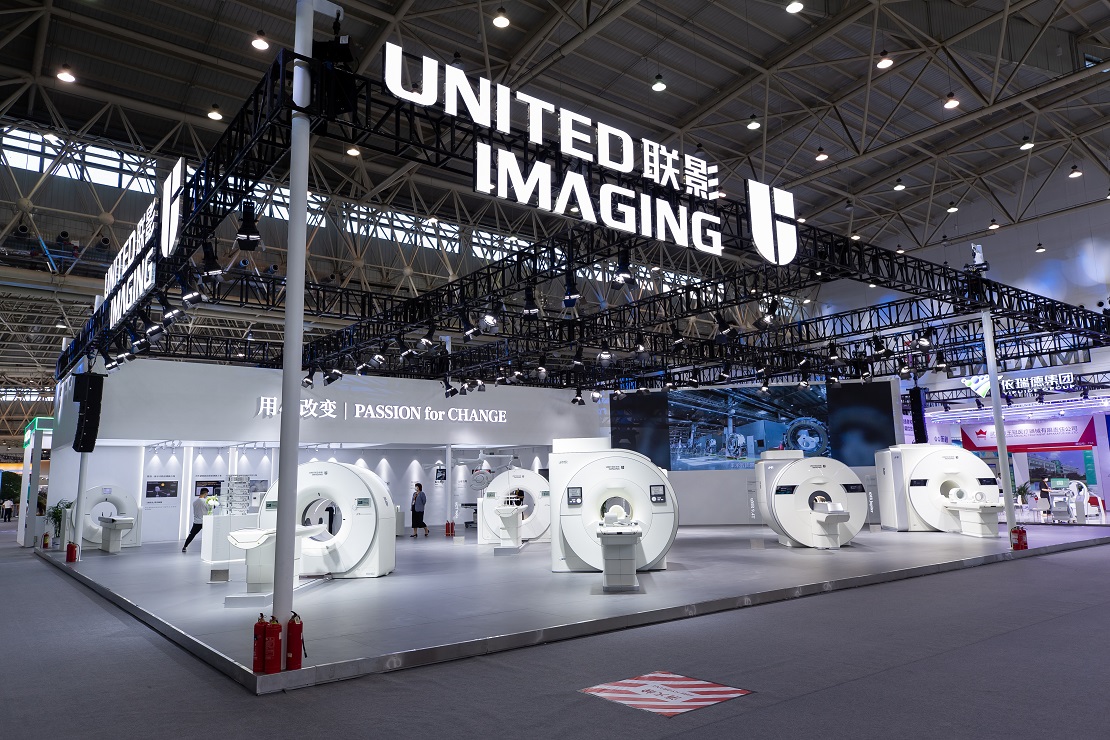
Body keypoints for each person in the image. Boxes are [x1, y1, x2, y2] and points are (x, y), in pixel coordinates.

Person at [182, 487, 209, 552]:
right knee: (208, 535)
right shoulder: (205, 501)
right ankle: (208, 548)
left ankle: (185, 546)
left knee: (192, 535)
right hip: (205, 521)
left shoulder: (195, 502)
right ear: (205, 493)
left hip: (197, 522)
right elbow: (209, 509)